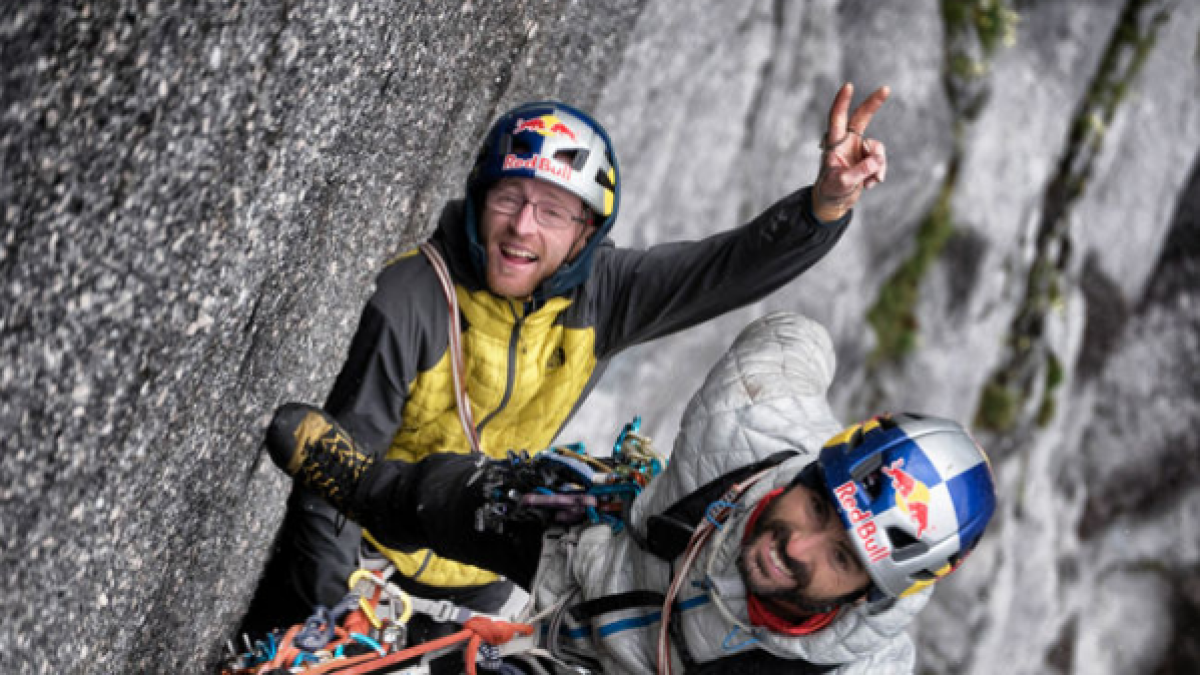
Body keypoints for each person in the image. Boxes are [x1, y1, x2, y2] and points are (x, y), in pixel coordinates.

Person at [241, 84, 892, 637]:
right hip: (367, 557)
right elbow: (331, 475)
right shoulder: (409, 299)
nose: (524, 226)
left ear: (586, 232)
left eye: (553, 211)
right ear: (478, 202)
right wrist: (338, 609)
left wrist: (824, 206)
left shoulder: (602, 296)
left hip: (484, 565)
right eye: (508, 198)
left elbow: (725, 269)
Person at [264, 312, 998, 674]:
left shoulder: (853, 668)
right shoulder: (755, 420)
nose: (795, 546)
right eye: (819, 507)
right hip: (598, 552)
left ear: (872, 593)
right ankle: (365, 487)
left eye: (841, 555)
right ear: (811, 470)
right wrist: (822, 213)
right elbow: (794, 335)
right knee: (462, 497)